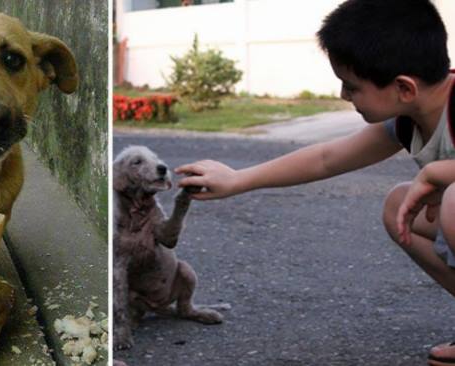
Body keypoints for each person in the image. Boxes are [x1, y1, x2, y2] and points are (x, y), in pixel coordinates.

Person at [175, 0, 455, 363]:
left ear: (403, 88)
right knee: (397, 206)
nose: (343, 96)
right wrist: (238, 179)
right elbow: (327, 158)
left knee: (451, 203)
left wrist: (440, 172)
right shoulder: (407, 119)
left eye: (351, 87)